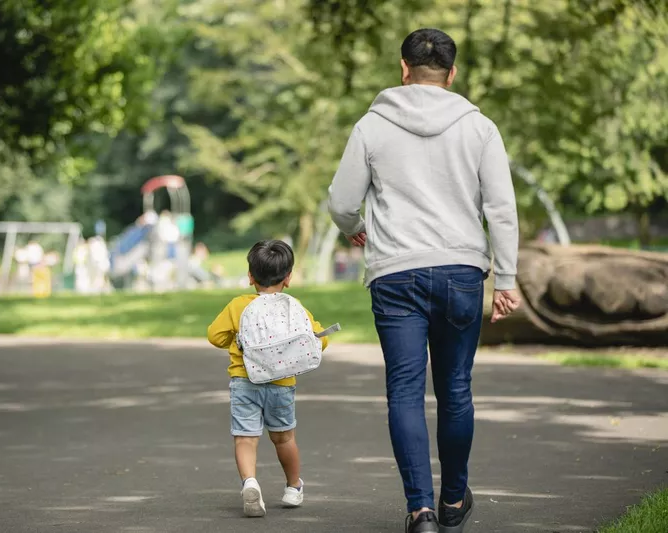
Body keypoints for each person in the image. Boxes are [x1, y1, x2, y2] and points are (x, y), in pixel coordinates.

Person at [328, 28, 521, 533]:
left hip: (395, 272)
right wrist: (507, 278)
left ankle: (421, 511)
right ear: (452, 74)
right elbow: (500, 208)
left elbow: (343, 202)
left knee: (405, 391)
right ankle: (454, 499)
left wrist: (358, 230)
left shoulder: (372, 126)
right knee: (456, 388)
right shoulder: (479, 128)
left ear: (403, 68)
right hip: (461, 272)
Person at [207, 240, 329, 518]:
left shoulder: (238, 305)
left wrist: (234, 340)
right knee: (284, 438)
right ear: (288, 278)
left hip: (244, 382)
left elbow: (215, 336)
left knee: (245, 439)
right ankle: (293, 487)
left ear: (251, 276)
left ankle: (250, 483)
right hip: (282, 385)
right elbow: (319, 339)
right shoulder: (293, 306)